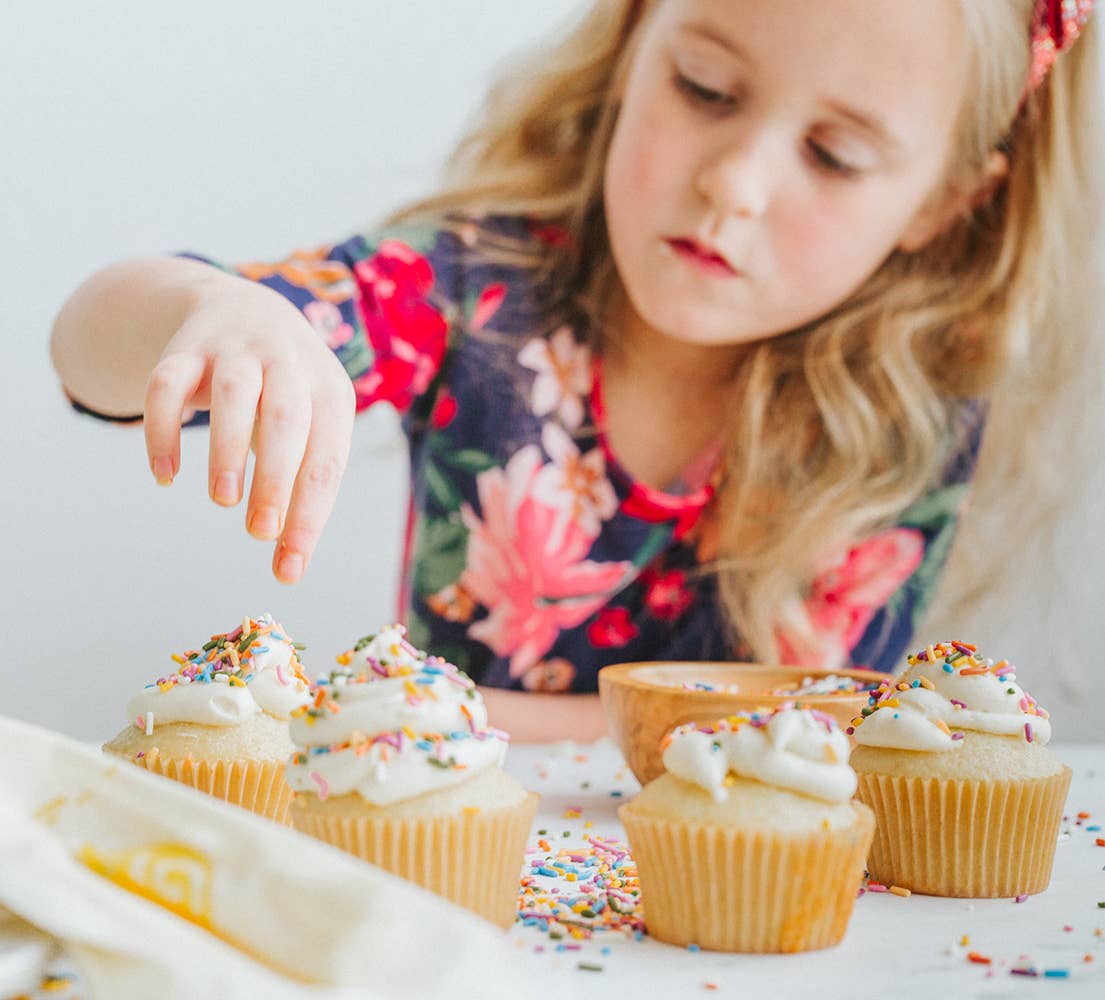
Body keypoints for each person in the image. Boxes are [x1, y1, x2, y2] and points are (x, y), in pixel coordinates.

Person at [50, 0, 1101, 741]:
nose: (734, 182)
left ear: (942, 202)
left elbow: (808, 718)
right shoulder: (472, 292)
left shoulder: (902, 420)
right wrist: (214, 311)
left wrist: (386, 707)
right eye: (706, 89)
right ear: (636, 36)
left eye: (833, 156)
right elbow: (91, 348)